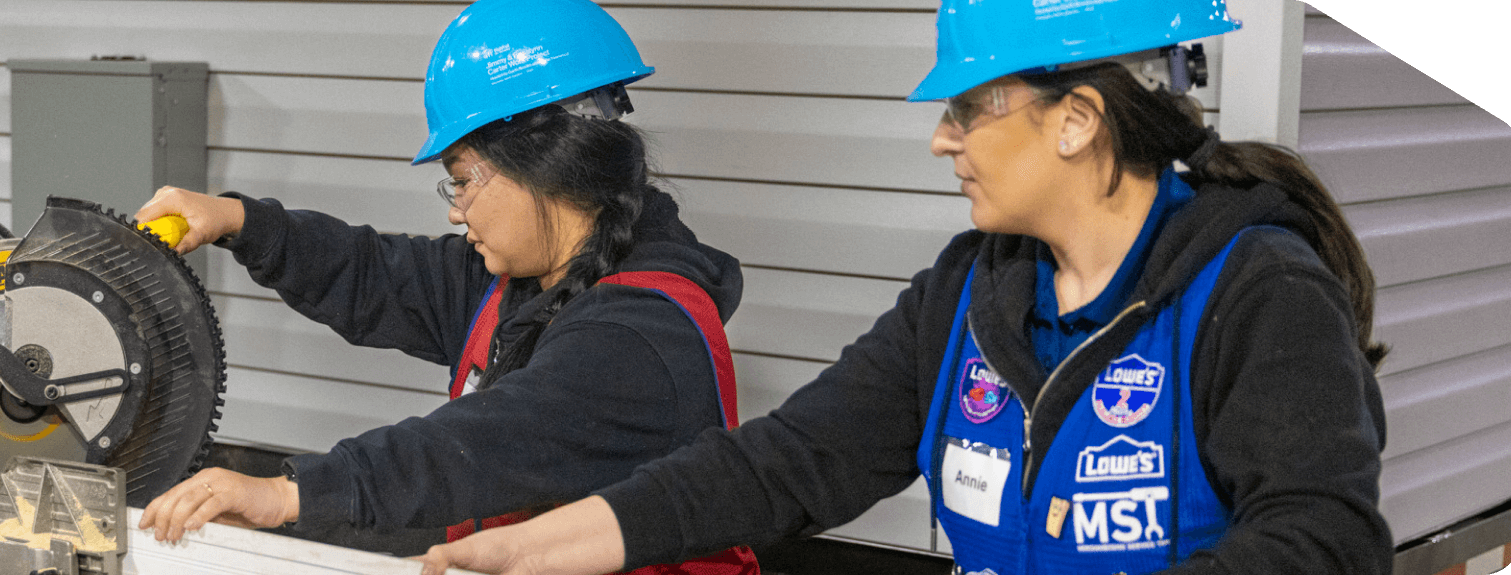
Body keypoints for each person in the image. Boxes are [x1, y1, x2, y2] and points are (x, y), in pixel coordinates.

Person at [419, 1, 1394, 574]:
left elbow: (1327, 537)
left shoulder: (1256, 293)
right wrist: (558, 541)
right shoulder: (968, 293)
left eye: (970, 108)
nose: (942, 138)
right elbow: (789, 461)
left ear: (1078, 118)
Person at [134, 0, 761, 571]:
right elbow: (375, 272)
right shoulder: (526, 278)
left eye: (462, 180)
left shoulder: (639, 340)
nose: (456, 211)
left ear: (545, 170)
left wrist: (288, 494)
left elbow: (480, 443)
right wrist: (238, 221)